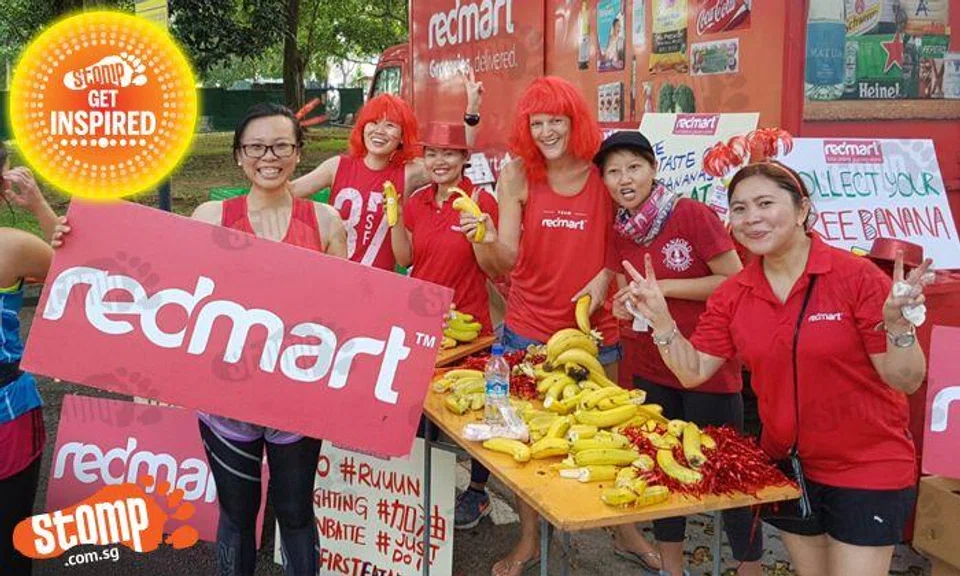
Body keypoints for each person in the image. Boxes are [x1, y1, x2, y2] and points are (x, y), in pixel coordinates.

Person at [620, 157, 929, 576]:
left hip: (866, 465)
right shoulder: (734, 294)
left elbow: (905, 379)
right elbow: (692, 371)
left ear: (802, 209)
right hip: (790, 465)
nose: (752, 219)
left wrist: (898, 328)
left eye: (766, 203)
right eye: (740, 209)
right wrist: (662, 321)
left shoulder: (855, 277)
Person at [460, 76, 656, 576]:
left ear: (576, 121)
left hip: (595, 331)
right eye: (537, 122)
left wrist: (607, 275)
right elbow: (502, 260)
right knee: (527, 444)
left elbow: (631, 239)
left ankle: (625, 530)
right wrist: (481, 238)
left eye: (557, 120)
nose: (547, 131)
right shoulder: (517, 175)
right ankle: (528, 540)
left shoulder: (602, 172)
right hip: (526, 327)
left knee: (608, 438)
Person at [189, 103, 348, 576]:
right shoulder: (210, 216)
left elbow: (352, 313)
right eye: (256, 146)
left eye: (281, 145)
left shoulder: (325, 221)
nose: (269, 156)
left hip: (297, 405)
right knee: (237, 518)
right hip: (226, 405)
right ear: (239, 155)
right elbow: (175, 300)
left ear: (298, 154)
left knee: (296, 516)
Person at [593, 131, 758, 576]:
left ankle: (750, 567)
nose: (624, 178)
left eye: (633, 167)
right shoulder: (621, 227)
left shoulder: (691, 215)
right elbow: (628, 289)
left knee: (729, 472)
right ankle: (671, 567)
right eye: (613, 171)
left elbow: (733, 279)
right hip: (649, 366)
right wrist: (625, 304)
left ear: (652, 169)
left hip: (706, 364)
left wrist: (664, 288)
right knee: (664, 469)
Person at [290, 72, 483, 271]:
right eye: (373, 122)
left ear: (402, 136)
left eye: (390, 125)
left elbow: (456, 151)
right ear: (362, 127)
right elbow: (289, 192)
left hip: (379, 285)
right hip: (335, 277)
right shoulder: (337, 166)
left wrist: (472, 110)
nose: (379, 131)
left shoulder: (408, 173)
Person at [0, 142, 61, 576]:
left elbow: (78, 276)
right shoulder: (13, 246)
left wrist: (40, 206)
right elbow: (82, 275)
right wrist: (40, 206)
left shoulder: (14, 247)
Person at [390, 121, 500, 333]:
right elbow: (405, 259)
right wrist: (397, 217)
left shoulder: (481, 202)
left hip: (466, 321)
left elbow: (494, 270)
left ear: (464, 158)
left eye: (449, 154)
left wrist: (478, 235)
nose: (439, 162)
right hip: (421, 316)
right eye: (431, 154)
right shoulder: (417, 201)